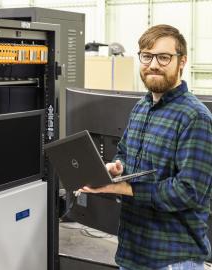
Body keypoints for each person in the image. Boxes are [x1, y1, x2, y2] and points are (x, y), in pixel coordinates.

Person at [80, 24, 212, 270]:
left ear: (181, 61)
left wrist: (125, 188)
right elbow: (125, 154)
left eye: (163, 57)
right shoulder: (141, 108)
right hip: (132, 252)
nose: (153, 64)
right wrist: (116, 169)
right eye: (146, 56)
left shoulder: (195, 117)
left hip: (173, 259)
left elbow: (189, 191)